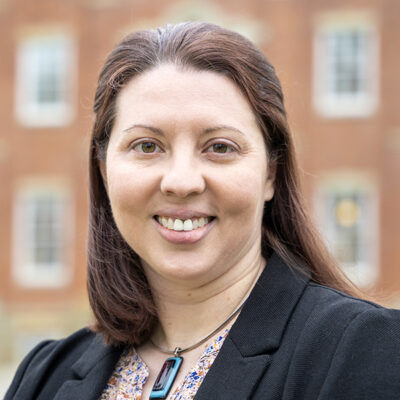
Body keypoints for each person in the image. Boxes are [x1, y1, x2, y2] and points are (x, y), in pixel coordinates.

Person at [5, 22, 400, 400]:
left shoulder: (364, 349)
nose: (181, 181)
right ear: (105, 171)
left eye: (220, 147)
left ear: (270, 174)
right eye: (146, 146)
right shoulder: (46, 375)